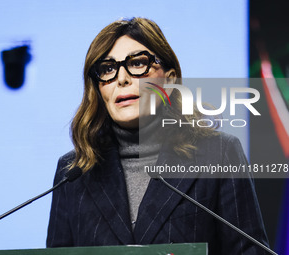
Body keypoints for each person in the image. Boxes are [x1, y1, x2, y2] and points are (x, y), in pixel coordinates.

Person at [46, 17, 269, 254]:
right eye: (107, 69)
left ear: (170, 79)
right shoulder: (73, 172)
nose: (122, 79)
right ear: (98, 89)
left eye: (138, 63)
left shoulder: (220, 153)